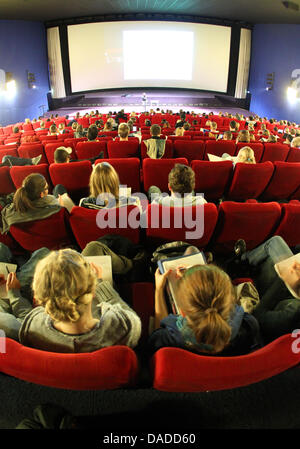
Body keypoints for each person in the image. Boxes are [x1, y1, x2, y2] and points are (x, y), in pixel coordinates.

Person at [0, 247, 141, 351]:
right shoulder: (120, 327)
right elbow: (130, 317)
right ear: (92, 291)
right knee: (93, 248)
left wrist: (14, 294)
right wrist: (99, 283)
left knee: (41, 252)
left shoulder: (33, 328)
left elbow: (26, 315)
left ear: (37, 299)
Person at [148, 261, 260, 355]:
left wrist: (159, 290)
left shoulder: (169, 337)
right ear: (229, 301)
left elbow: (157, 334)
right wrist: (193, 283)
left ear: (181, 312)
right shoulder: (248, 325)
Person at [237, 236, 300, 343]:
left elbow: (259, 315)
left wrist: (285, 278)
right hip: (290, 290)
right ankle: (243, 259)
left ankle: (241, 260)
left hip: (272, 294)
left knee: (273, 244)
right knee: (276, 242)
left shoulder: (292, 314)